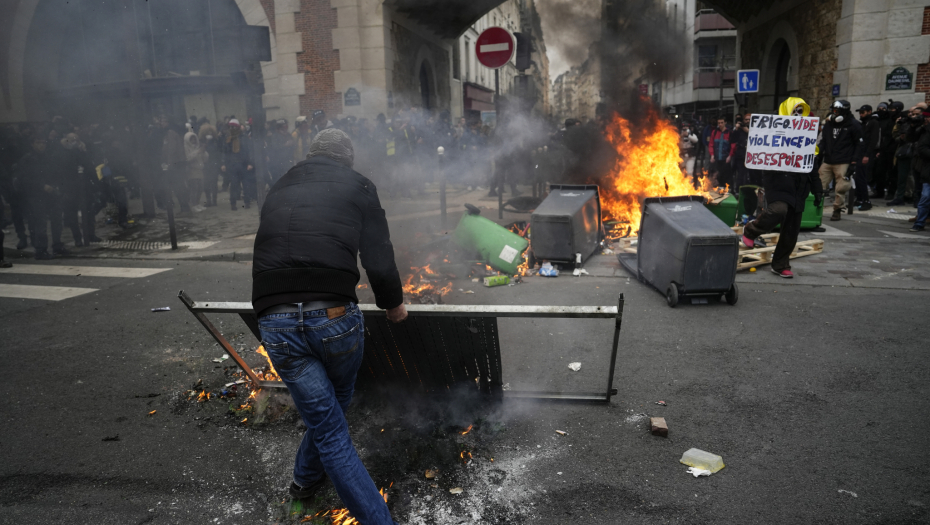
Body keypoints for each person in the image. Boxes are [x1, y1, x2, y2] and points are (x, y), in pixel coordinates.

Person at [252, 128, 404, 524]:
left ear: (311, 154)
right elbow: (378, 253)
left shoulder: (280, 184)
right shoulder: (359, 184)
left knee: (326, 415)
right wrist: (393, 305)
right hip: (333, 318)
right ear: (347, 160)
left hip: (275, 319)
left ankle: (302, 486)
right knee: (333, 431)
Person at [742, 98, 825, 278]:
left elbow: (812, 169)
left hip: (799, 188)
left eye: (800, 112)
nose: (797, 115)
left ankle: (780, 265)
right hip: (778, 183)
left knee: (791, 229)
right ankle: (751, 230)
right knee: (779, 210)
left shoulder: (807, 138)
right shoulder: (772, 132)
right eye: (794, 111)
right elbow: (761, 156)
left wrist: (818, 190)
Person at [15, 135, 62, 259]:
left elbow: (55, 173)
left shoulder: (48, 157)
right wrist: (42, 186)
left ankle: (57, 245)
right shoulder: (27, 159)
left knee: (56, 219)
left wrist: (54, 185)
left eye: (43, 142)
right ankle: (41, 250)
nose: (41, 145)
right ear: (32, 144)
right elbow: (25, 179)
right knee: (40, 222)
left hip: (50, 192)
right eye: (38, 142)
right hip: (35, 195)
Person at [819, 100, 862, 221]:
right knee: (818, 184)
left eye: (837, 111)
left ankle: (837, 210)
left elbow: (859, 144)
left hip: (844, 160)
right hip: (828, 160)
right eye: (833, 111)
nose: (834, 113)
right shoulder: (829, 124)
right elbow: (824, 141)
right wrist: (818, 153)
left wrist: (854, 162)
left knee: (841, 188)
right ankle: (816, 208)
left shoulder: (854, 125)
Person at [887, 102, 919, 206]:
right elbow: (896, 137)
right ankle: (900, 197)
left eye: (914, 113)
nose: (911, 115)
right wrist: (898, 128)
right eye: (910, 113)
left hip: (917, 153)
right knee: (902, 176)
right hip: (905, 151)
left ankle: (912, 196)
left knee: (913, 176)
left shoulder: (922, 125)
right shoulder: (905, 123)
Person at [221, 118, 255, 210]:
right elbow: (224, 152)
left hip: (243, 165)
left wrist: (250, 163)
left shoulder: (244, 138)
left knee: (246, 185)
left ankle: (247, 202)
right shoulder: (227, 139)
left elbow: (250, 151)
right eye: (230, 127)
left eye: (233, 127)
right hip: (232, 166)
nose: (231, 128)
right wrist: (223, 163)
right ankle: (233, 203)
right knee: (234, 186)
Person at [854, 104, 880, 211]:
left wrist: (867, 155)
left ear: (869, 112)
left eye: (863, 112)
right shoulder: (864, 123)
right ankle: (859, 198)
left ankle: (866, 200)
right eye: (860, 113)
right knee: (858, 177)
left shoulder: (873, 123)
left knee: (863, 178)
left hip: (867, 154)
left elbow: (873, 140)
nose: (861, 114)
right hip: (861, 153)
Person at [910, 111, 930, 232]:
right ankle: (920, 222)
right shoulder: (926, 131)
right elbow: (921, 147)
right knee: (925, 197)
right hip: (928, 171)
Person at [707, 117, 733, 189]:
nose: (720, 124)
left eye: (722, 122)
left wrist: (730, 156)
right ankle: (718, 190)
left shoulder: (729, 132)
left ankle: (727, 191)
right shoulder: (714, 132)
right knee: (717, 176)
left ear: (725, 122)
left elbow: (732, 145)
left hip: (725, 159)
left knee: (726, 177)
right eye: (719, 123)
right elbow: (711, 144)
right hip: (717, 159)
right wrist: (712, 155)